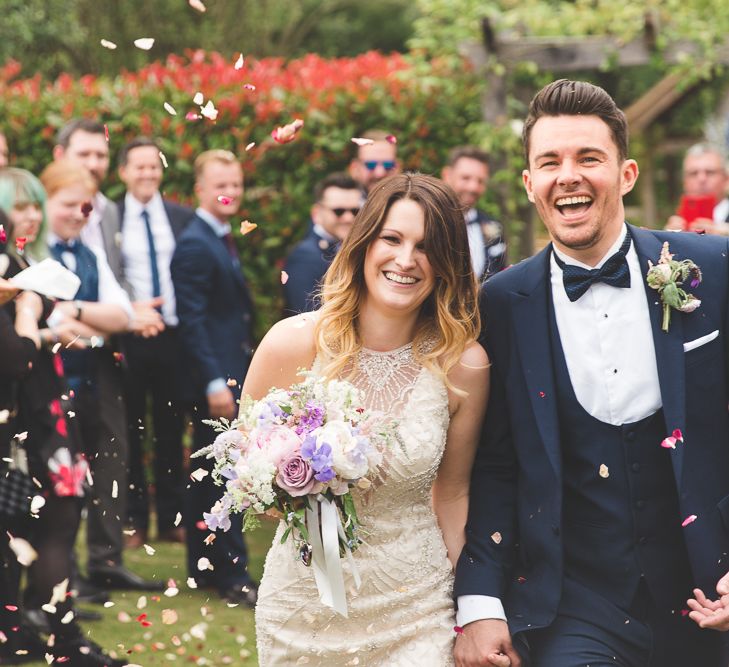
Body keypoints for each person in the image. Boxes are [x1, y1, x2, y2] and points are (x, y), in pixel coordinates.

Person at [454, 79, 729, 667]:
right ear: (530, 185)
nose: (568, 176)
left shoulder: (712, 271)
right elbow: (494, 466)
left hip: (710, 587)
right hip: (576, 605)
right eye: (549, 162)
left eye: (588, 158)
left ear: (626, 175)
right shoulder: (499, 305)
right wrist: (478, 603)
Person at [247, 172, 488, 664]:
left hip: (417, 606)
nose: (405, 260)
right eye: (392, 239)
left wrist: (473, 613)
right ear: (362, 244)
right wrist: (292, 482)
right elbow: (248, 473)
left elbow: (454, 493)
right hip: (303, 605)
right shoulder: (290, 343)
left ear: (448, 263)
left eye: (426, 246)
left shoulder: (464, 365)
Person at [0, 198, 127, 667]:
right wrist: (33, 317)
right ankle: (55, 639)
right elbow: (14, 355)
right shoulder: (9, 270)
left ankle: (31, 634)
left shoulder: (18, 263)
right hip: (31, 421)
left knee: (40, 528)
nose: (27, 218)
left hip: (42, 414)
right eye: (17, 207)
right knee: (49, 526)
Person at [39, 160, 164, 594]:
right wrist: (96, 323)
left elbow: (121, 313)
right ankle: (64, 577)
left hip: (97, 376)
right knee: (62, 478)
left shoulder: (90, 255)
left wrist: (73, 312)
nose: (78, 214)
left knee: (112, 464)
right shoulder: (36, 254)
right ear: (44, 202)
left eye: (86, 207)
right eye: (68, 204)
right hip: (51, 381)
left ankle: (105, 562)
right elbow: (51, 320)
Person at [170, 149, 257, 605]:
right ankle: (232, 575)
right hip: (214, 383)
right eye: (221, 184)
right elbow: (192, 320)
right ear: (200, 189)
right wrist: (213, 381)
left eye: (237, 184)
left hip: (225, 375)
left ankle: (204, 571)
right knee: (224, 480)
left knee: (209, 479)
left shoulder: (219, 236)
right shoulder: (195, 244)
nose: (230, 192)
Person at [116, 137, 193, 547]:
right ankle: (132, 521)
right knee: (128, 430)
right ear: (124, 172)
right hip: (128, 336)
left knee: (168, 430)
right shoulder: (110, 218)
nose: (147, 173)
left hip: (172, 336)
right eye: (139, 166)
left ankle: (170, 519)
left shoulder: (181, 218)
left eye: (154, 166)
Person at [283, 172, 362, 313]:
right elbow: (307, 315)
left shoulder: (349, 249)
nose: (349, 218)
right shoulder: (304, 256)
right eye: (339, 211)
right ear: (316, 213)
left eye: (355, 211)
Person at [442, 146, 507, 281]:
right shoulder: (427, 220)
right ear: (447, 176)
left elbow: (497, 276)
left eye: (480, 181)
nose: (473, 187)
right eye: (466, 178)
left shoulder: (494, 228)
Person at [665, 143, 729, 235]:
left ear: (726, 179)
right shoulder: (676, 224)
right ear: (684, 182)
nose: (701, 179)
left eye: (710, 172)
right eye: (693, 173)